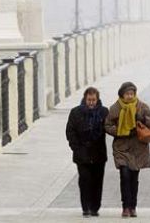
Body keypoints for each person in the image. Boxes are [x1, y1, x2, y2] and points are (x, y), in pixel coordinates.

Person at [105, 82, 150, 218]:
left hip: (138, 149)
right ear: (122, 94)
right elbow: (107, 125)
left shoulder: (141, 106)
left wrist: (143, 118)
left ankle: (133, 206)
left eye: (131, 93)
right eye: (127, 93)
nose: (129, 96)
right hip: (121, 148)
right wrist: (120, 131)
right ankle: (125, 207)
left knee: (134, 178)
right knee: (125, 176)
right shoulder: (115, 108)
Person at [65, 87, 109, 217]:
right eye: (89, 100)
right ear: (85, 99)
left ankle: (95, 207)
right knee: (84, 180)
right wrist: (76, 148)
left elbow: (111, 127)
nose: (91, 102)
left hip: (99, 153)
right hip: (82, 154)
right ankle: (86, 207)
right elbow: (70, 131)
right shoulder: (76, 112)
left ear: (97, 99)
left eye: (93, 100)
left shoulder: (103, 112)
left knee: (97, 181)